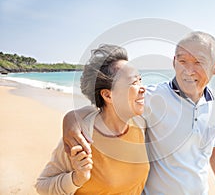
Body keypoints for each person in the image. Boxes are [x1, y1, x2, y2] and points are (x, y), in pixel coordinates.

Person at [63, 31, 215, 195]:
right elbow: (111, 103)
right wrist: (71, 118)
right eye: (182, 61)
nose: (188, 70)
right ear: (174, 62)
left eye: (199, 62)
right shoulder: (153, 97)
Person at [35, 44, 149, 195]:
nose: (143, 88)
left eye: (140, 79)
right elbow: (42, 186)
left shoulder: (140, 124)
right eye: (134, 82)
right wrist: (76, 179)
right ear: (108, 95)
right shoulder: (80, 137)